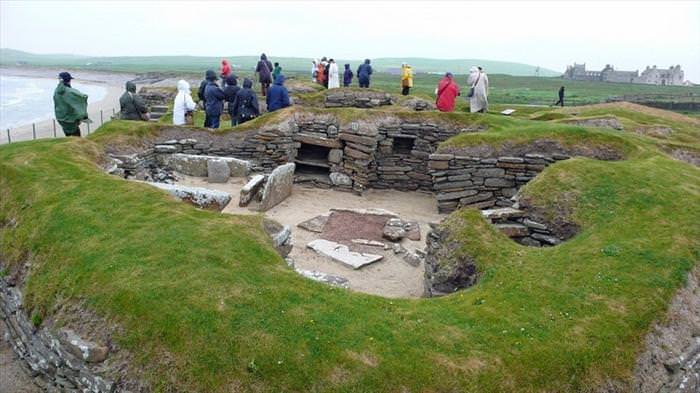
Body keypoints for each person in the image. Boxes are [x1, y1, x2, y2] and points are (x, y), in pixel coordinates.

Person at [53, 72, 88, 137]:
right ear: (69, 80)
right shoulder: (69, 91)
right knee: (77, 137)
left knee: (68, 136)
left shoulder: (56, 91)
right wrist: (83, 117)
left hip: (61, 118)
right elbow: (83, 98)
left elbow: (57, 104)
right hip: (70, 120)